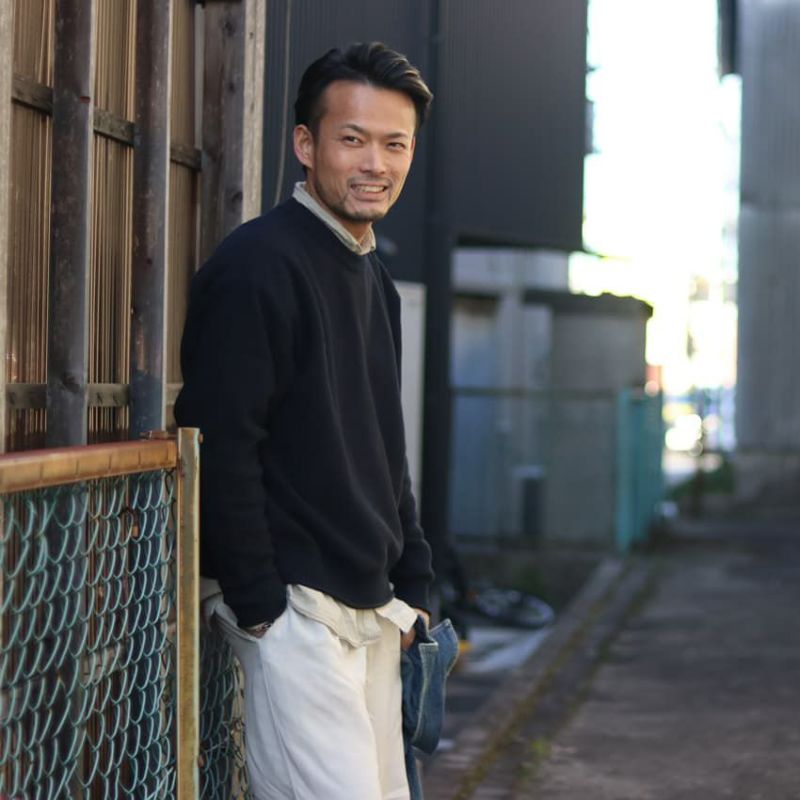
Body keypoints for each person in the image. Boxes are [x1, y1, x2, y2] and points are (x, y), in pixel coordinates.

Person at [175, 42, 435, 800]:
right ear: (305, 143)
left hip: (373, 605)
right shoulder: (258, 266)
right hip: (295, 609)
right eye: (352, 138)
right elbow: (220, 438)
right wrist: (262, 606)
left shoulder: (374, 276)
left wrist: (416, 583)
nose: (375, 163)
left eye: (394, 144)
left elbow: (384, 446)